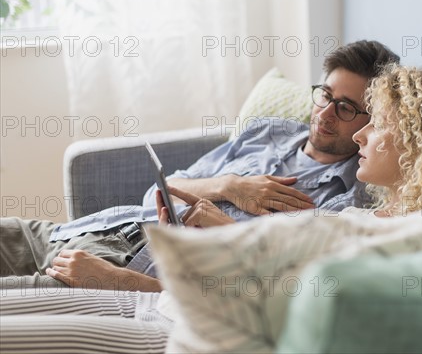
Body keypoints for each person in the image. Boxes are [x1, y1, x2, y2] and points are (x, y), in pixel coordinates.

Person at [0, 64, 422, 353]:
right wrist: (228, 190)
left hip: (164, 312)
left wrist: (140, 280)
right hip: (140, 273)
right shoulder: (356, 212)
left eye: (372, 120)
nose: (356, 131)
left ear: (417, 144)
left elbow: (274, 318)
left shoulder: (368, 223)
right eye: (325, 97)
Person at [0, 40, 400, 291]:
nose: (326, 114)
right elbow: (159, 190)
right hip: (96, 227)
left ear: (374, 121)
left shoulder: (347, 197)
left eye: (345, 107)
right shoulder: (269, 132)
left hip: (122, 263)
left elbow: (279, 274)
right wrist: (229, 185)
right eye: (324, 95)